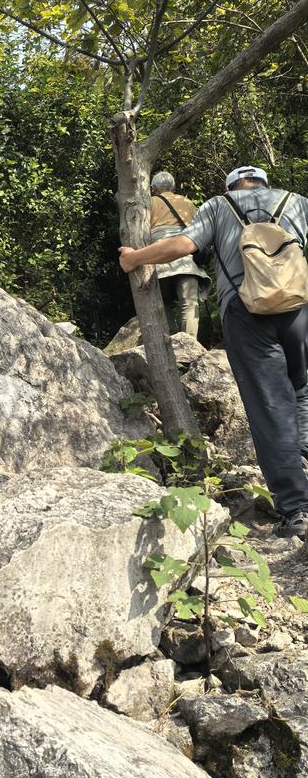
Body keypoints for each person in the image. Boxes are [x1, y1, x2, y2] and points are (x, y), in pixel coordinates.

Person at [119, 165, 308, 539]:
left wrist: (135, 258)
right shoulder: (298, 202)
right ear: (264, 184)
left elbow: (183, 245)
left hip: (245, 310)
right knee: (302, 391)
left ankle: (297, 508)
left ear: (232, 186)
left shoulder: (220, 206)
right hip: (299, 308)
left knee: (269, 405)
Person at [149, 171, 211, 339]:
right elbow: (201, 232)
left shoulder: (149, 203)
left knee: (163, 305)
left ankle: (170, 344)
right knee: (189, 304)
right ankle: (189, 345)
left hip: (158, 258)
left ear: (154, 189)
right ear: (173, 187)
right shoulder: (187, 202)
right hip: (185, 259)